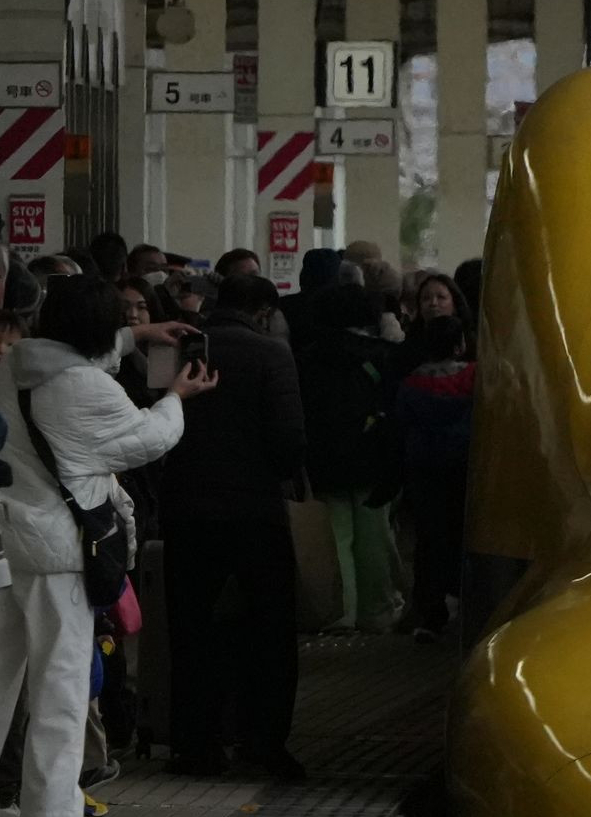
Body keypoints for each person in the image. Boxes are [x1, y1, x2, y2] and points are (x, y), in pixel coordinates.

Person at [0, 272, 215, 817]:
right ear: (100, 329)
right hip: (59, 551)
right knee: (61, 679)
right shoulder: (85, 387)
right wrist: (177, 398)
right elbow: (145, 439)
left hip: (11, 540)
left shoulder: (14, 365)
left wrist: (140, 333)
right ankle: (54, 812)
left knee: (1, 676)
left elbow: (72, 355)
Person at [157, 272, 310, 780]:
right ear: (264, 312)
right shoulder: (272, 354)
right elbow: (289, 442)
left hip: (187, 510)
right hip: (254, 514)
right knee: (270, 628)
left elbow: (151, 414)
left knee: (191, 627)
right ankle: (262, 743)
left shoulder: (179, 346)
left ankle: (195, 746)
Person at [294, 278, 402, 630]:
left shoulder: (307, 358)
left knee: (337, 538)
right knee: (375, 538)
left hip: (325, 459)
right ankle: (378, 611)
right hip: (373, 458)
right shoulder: (380, 354)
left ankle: (343, 612)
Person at [389, 288, 476, 640]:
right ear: (460, 346)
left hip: (424, 469)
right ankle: (468, 605)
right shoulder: (475, 378)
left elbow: (401, 424)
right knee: (464, 535)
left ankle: (431, 612)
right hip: (465, 467)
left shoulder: (412, 383)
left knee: (430, 539)